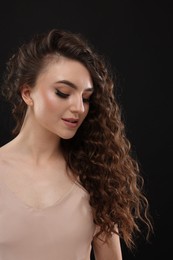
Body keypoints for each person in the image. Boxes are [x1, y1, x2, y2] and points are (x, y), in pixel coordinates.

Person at [0, 28, 153, 260]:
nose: (79, 108)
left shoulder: (96, 176)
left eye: (86, 98)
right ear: (27, 93)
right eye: (63, 93)